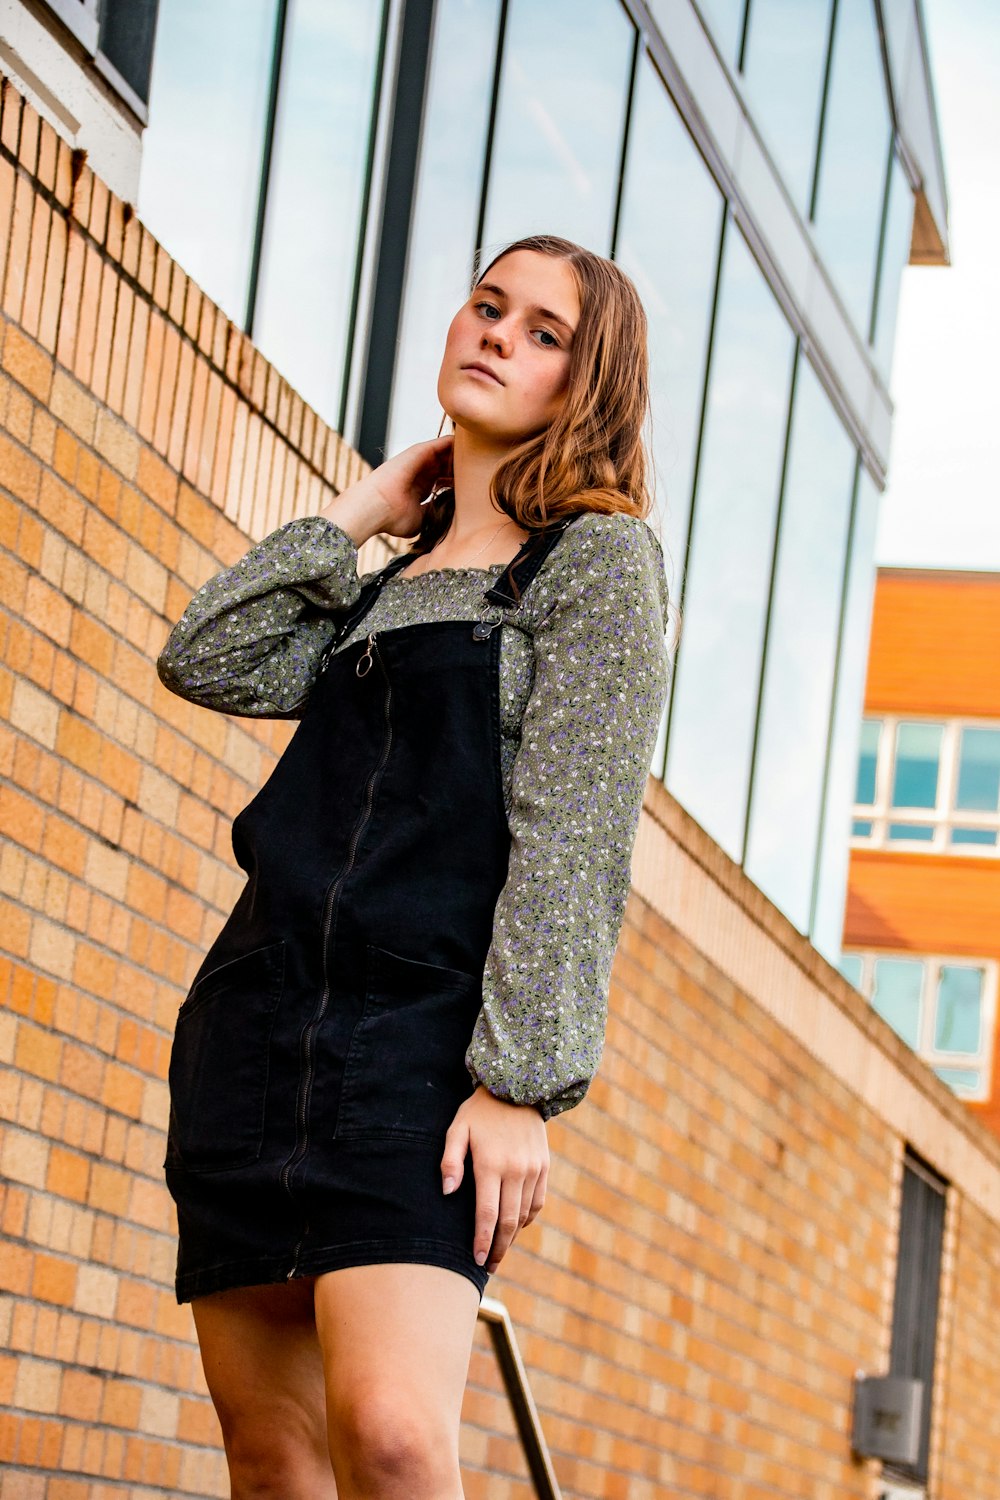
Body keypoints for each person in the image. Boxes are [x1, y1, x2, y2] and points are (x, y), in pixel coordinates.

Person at [156, 232, 670, 1500]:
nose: (496, 334)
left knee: (389, 1438)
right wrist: (373, 506)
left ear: (586, 382)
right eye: (487, 307)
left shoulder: (594, 566)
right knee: (271, 1460)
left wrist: (520, 1084)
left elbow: (576, 832)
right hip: (254, 1034)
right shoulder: (374, 590)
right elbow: (205, 655)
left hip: (420, 1052)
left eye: (543, 331)